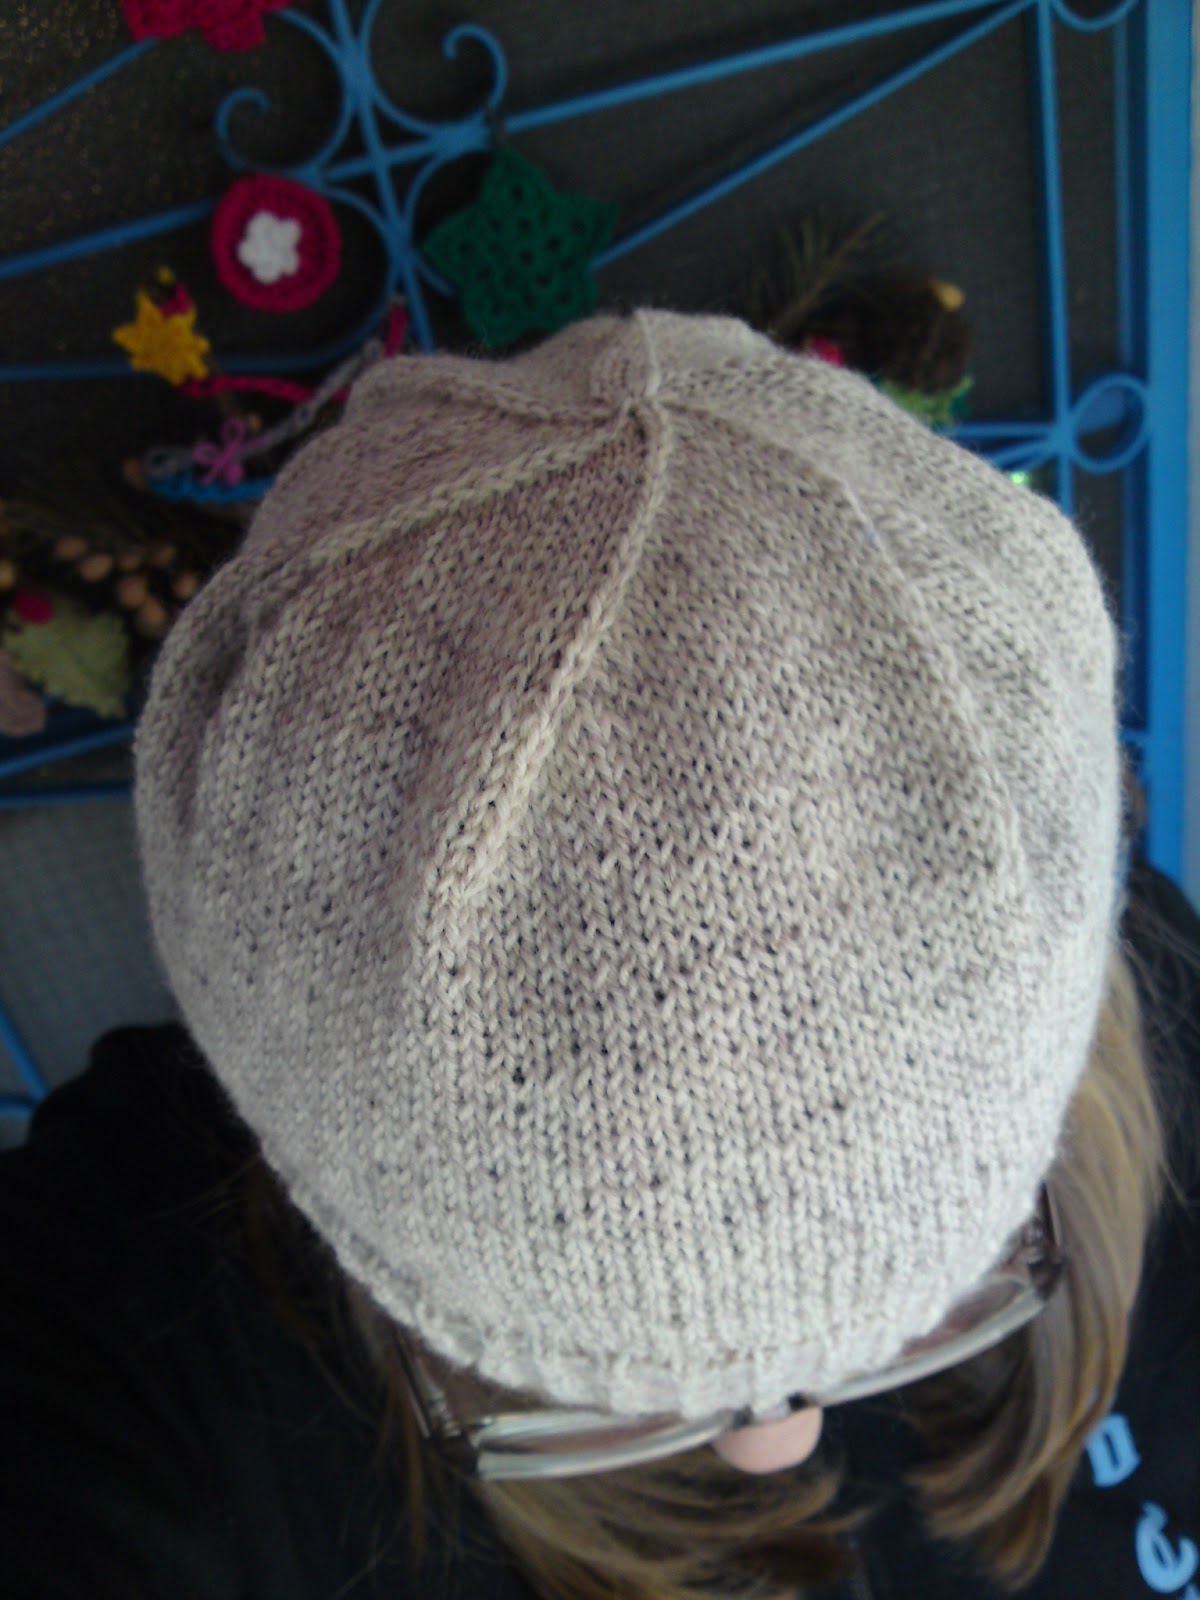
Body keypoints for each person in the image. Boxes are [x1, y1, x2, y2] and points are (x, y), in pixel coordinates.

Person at [2, 311, 1197, 1600]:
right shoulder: (138, 1327)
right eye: (582, 1378)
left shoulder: (1055, 934)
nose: (777, 1447)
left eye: (946, 1295)